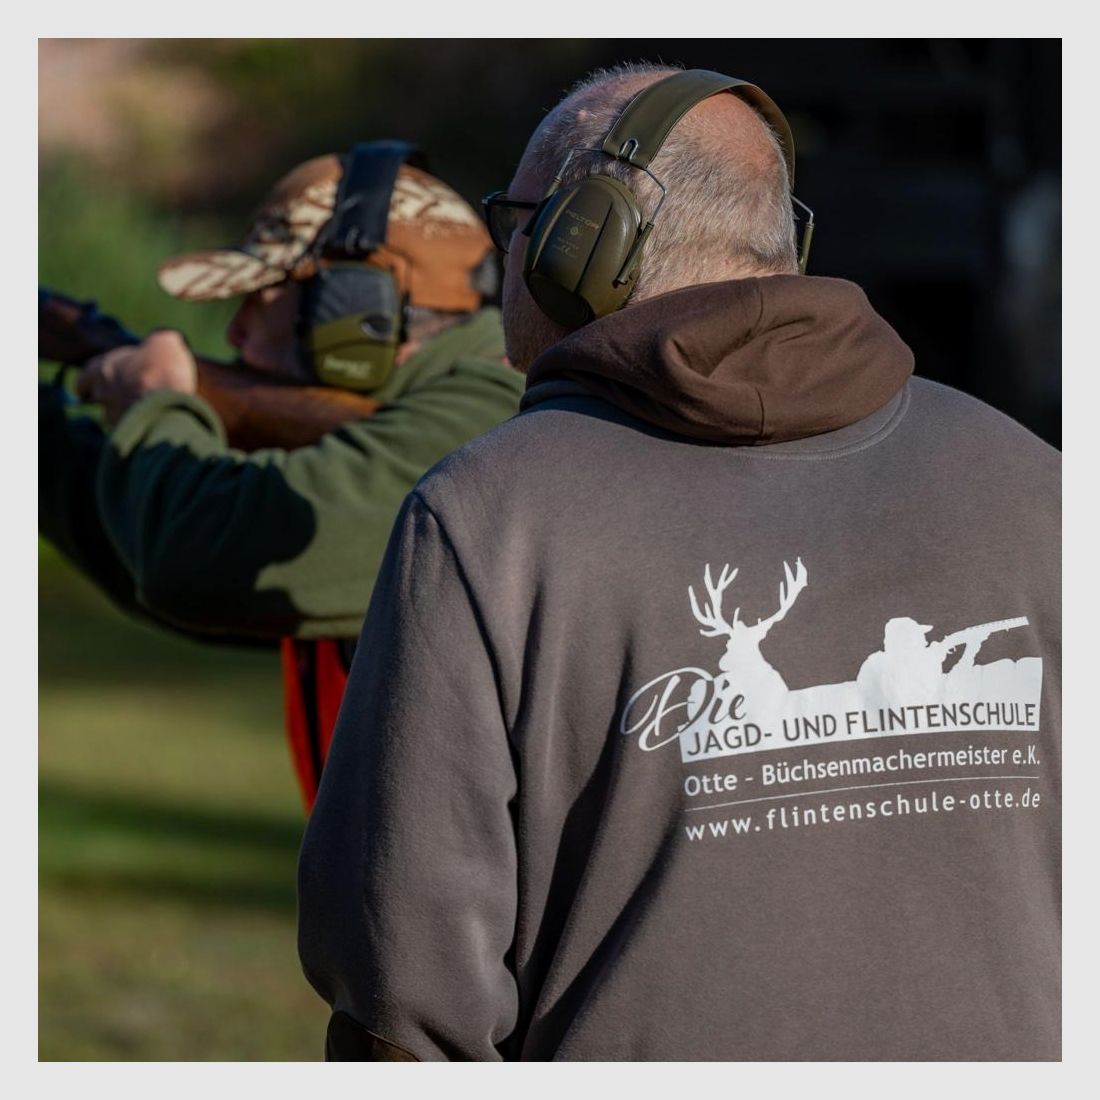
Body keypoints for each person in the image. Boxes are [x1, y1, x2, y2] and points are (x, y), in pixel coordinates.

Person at [297, 65, 1060, 1060]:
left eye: (514, 224)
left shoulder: (488, 516)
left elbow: (401, 982)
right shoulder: (1039, 486)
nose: (502, 260)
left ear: (581, 245)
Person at [39, 146, 524, 809]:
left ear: (355, 313)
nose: (235, 332)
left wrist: (160, 403)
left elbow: (199, 558)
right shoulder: (433, 418)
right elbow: (167, 567)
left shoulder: (485, 418)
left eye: (261, 299)